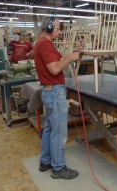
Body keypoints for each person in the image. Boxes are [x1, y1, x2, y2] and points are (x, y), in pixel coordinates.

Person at [34, 16, 85, 179]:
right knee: (59, 132)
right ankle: (59, 168)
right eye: (56, 27)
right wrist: (70, 58)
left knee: (49, 129)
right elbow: (55, 69)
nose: (59, 30)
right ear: (48, 28)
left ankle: (46, 161)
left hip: (50, 91)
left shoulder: (46, 44)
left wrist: (74, 52)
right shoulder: (45, 45)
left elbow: (61, 61)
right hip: (54, 92)